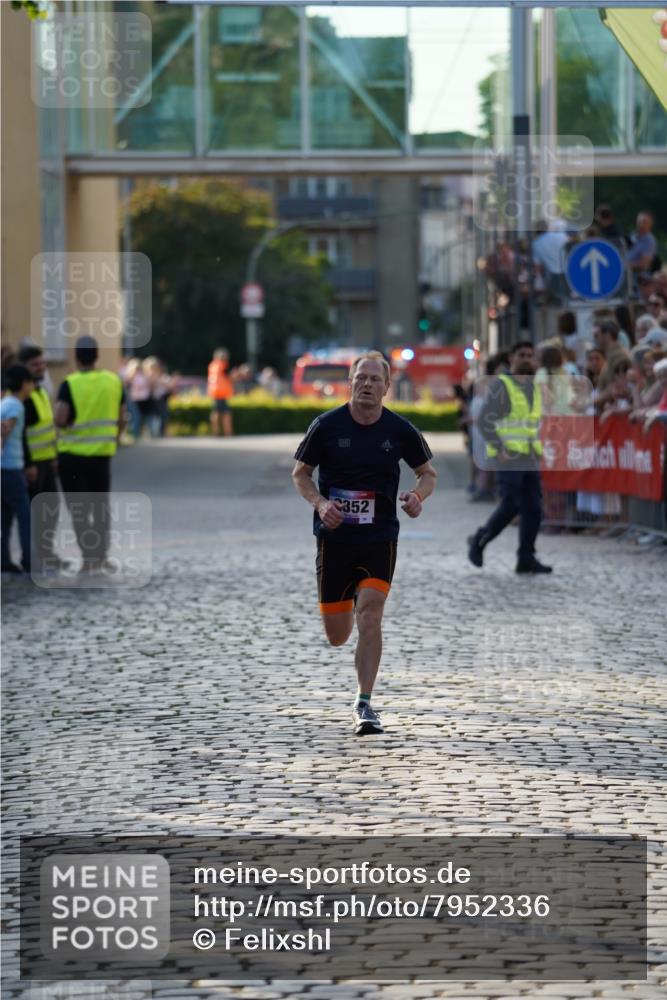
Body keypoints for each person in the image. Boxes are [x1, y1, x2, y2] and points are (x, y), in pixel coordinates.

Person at [292, 350, 437, 737]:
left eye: (375, 379)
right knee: (337, 635)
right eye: (361, 378)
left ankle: (364, 703)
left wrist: (417, 497)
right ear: (350, 382)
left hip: (379, 537)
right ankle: (349, 611)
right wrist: (321, 504)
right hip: (335, 540)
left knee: (370, 615)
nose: (368, 385)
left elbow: (428, 474)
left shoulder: (400, 430)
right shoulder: (326, 426)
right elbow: (300, 474)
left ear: (387, 387)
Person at [467, 341, 552, 574]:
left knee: (533, 508)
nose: (527, 358)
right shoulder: (502, 386)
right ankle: (480, 539)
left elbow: (533, 422)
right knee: (511, 504)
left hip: (529, 455)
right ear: (511, 359)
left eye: (530, 355)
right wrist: (499, 447)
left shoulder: (534, 386)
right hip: (508, 456)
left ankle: (526, 557)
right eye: (521, 354)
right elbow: (484, 420)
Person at [55, 336, 126, 574]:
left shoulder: (70, 383)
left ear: (76, 357)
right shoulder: (113, 381)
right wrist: (113, 438)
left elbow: (60, 418)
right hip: (101, 456)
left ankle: (88, 558)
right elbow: (123, 417)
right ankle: (102, 556)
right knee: (100, 508)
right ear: (97, 355)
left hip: (72, 457)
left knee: (79, 510)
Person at [17, 344, 67, 572]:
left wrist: (55, 456)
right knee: (35, 511)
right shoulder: (24, 397)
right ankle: (34, 555)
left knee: (51, 508)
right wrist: (28, 463)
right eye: (35, 364)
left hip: (47, 460)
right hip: (33, 464)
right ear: (24, 367)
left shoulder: (40, 391)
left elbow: (48, 427)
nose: (40, 367)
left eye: (42, 363)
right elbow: (23, 433)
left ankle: (46, 552)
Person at [1, 364, 35, 575]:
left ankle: (4, 561)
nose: (32, 387)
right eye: (31, 383)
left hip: (5, 469)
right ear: (24, 384)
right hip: (10, 469)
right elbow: (5, 429)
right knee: (25, 517)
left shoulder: (5, 402)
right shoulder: (15, 406)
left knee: (5, 519)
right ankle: (29, 561)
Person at [207, 348, 233, 436]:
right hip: (221, 393)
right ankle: (227, 432)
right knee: (225, 414)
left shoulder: (212, 365)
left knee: (216, 413)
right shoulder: (222, 365)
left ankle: (216, 432)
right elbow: (229, 377)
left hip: (215, 392)